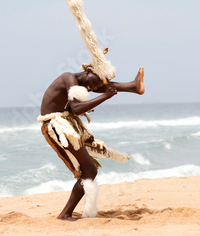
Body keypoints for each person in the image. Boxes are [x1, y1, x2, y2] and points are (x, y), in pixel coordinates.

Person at [39, 67, 144, 220]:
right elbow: (75, 108)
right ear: (88, 70)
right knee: (90, 171)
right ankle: (65, 214)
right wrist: (105, 96)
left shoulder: (80, 82)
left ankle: (133, 87)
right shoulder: (69, 78)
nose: (92, 88)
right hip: (57, 126)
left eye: (96, 87)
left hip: (66, 123)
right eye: (93, 82)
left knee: (89, 171)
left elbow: (81, 101)